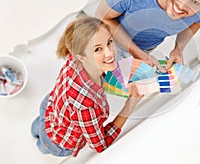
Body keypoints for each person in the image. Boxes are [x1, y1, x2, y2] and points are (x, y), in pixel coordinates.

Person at [31, 16, 143, 157]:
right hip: (55, 142)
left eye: (109, 42)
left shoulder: (74, 57)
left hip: (48, 107)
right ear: (81, 56)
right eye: (97, 49)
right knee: (42, 145)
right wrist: (130, 105)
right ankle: (40, 145)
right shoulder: (86, 105)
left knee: (36, 128)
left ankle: (34, 133)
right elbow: (101, 145)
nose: (110, 53)